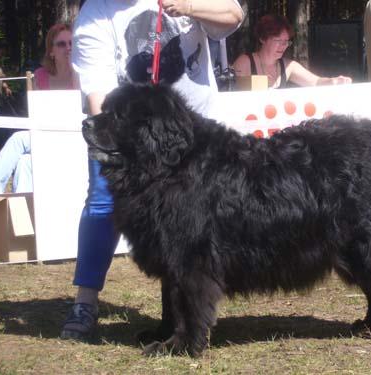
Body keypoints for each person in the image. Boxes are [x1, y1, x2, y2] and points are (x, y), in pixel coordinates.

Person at [60, 0, 243, 341]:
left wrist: (190, 7)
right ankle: (85, 302)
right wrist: (114, 138)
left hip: (194, 135)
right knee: (102, 203)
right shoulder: (95, 13)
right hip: (132, 133)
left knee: (187, 239)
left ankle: (182, 324)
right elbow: (97, 90)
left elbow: (233, 16)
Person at [0, 23, 78, 194]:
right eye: (61, 44)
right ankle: (25, 214)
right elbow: (37, 116)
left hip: (77, 137)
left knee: (18, 139)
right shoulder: (41, 76)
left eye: (72, 43)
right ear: (51, 51)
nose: (68, 48)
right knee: (25, 162)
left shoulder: (82, 74)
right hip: (47, 135)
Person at [232, 15, 352, 89]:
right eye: (278, 41)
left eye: (286, 41)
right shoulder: (245, 62)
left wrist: (333, 81)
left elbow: (316, 82)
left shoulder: (288, 66)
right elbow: (232, 92)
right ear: (262, 39)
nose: (284, 46)